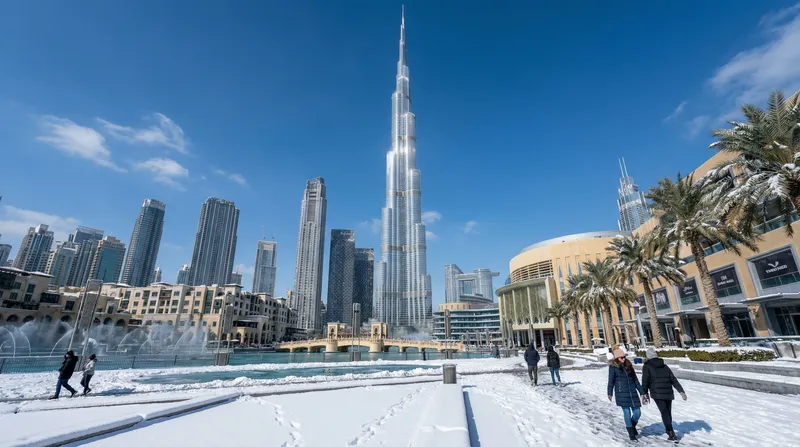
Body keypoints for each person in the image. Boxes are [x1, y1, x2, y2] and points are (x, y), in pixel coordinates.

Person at [642, 347, 686, 441]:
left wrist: (644, 394)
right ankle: (669, 430)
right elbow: (673, 379)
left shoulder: (647, 366)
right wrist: (681, 391)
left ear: (648, 357)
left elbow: (645, 381)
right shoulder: (665, 366)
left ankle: (671, 432)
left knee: (664, 412)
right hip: (668, 392)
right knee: (667, 412)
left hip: (657, 393)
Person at [607, 348, 647, 441]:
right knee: (627, 412)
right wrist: (609, 393)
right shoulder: (613, 368)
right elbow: (611, 381)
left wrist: (642, 392)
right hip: (621, 393)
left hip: (632, 392)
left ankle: (632, 426)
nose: (623, 359)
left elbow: (635, 380)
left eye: (624, 357)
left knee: (637, 412)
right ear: (617, 358)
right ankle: (631, 434)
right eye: (621, 357)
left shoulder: (629, 365)